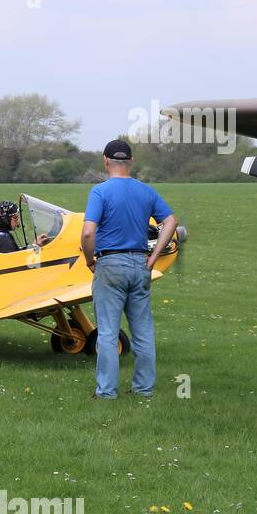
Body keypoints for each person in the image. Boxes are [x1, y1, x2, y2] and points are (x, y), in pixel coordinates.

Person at [80, 139, 178, 399]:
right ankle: (144, 389)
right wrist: (155, 255)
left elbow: (88, 231)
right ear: (131, 162)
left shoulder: (99, 192)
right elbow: (171, 221)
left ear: (105, 160)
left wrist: (90, 261)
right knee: (143, 331)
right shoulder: (146, 191)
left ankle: (106, 392)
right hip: (141, 263)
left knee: (109, 332)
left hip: (110, 264)